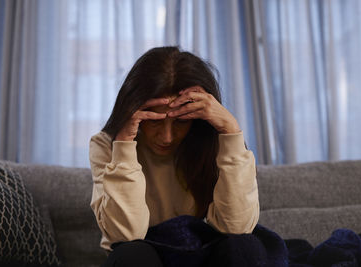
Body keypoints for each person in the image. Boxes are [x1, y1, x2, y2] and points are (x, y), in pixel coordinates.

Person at [89, 46, 259, 266]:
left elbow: (237, 228)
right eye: (155, 121)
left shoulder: (214, 141)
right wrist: (124, 146)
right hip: (143, 257)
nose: (167, 137)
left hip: (202, 254)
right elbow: (125, 234)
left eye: (181, 121)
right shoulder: (106, 144)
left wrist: (231, 132)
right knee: (132, 254)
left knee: (244, 247)